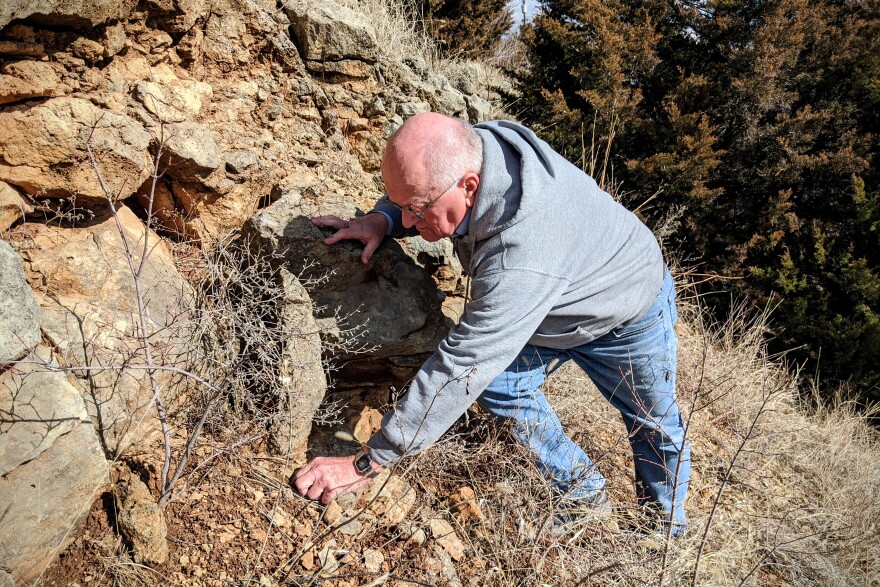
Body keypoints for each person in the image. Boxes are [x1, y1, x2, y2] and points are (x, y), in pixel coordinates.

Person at [294, 112, 690, 536]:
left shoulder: (520, 255)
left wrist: (369, 461)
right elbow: (419, 189)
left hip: (625, 308)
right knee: (500, 385)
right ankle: (581, 489)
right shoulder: (475, 150)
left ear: (470, 186)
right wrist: (384, 219)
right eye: (403, 207)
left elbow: (463, 365)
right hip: (548, 299)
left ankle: (662, 539)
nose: (410, 221)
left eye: (416, 211)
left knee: (652, 423)